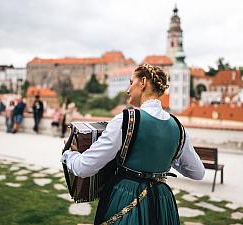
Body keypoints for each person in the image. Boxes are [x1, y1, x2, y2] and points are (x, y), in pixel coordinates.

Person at [61, 64, 205, 225]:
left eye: (131, 82)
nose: (128, 89)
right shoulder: (178, 126)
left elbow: (84, 167)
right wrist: (168, 158)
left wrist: (68, 154)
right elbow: (198, 172)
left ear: (143, 82)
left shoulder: (126, 119)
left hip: (127, 195)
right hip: (162, 200)